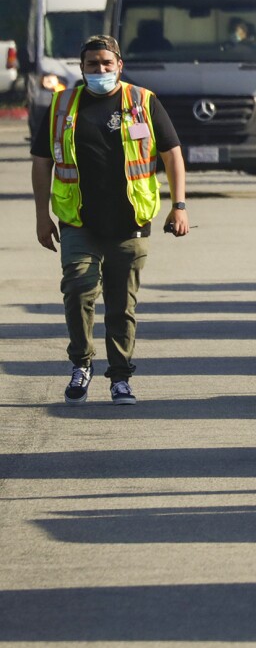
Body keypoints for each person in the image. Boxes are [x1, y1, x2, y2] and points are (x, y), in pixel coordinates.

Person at [30, 34, 187, 405]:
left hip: (129, 222)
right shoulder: (62, 105)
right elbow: (41, 162)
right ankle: (81, 365)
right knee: (79, 290)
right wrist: (41, 216)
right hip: (77, 220)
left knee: (121, 304)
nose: (99, 70)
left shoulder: (142, 101)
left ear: (119, 65)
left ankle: (120, 377)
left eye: (106, 63)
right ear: (81, 68)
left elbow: (172, 153)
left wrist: (179, 205)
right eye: (91, 64)